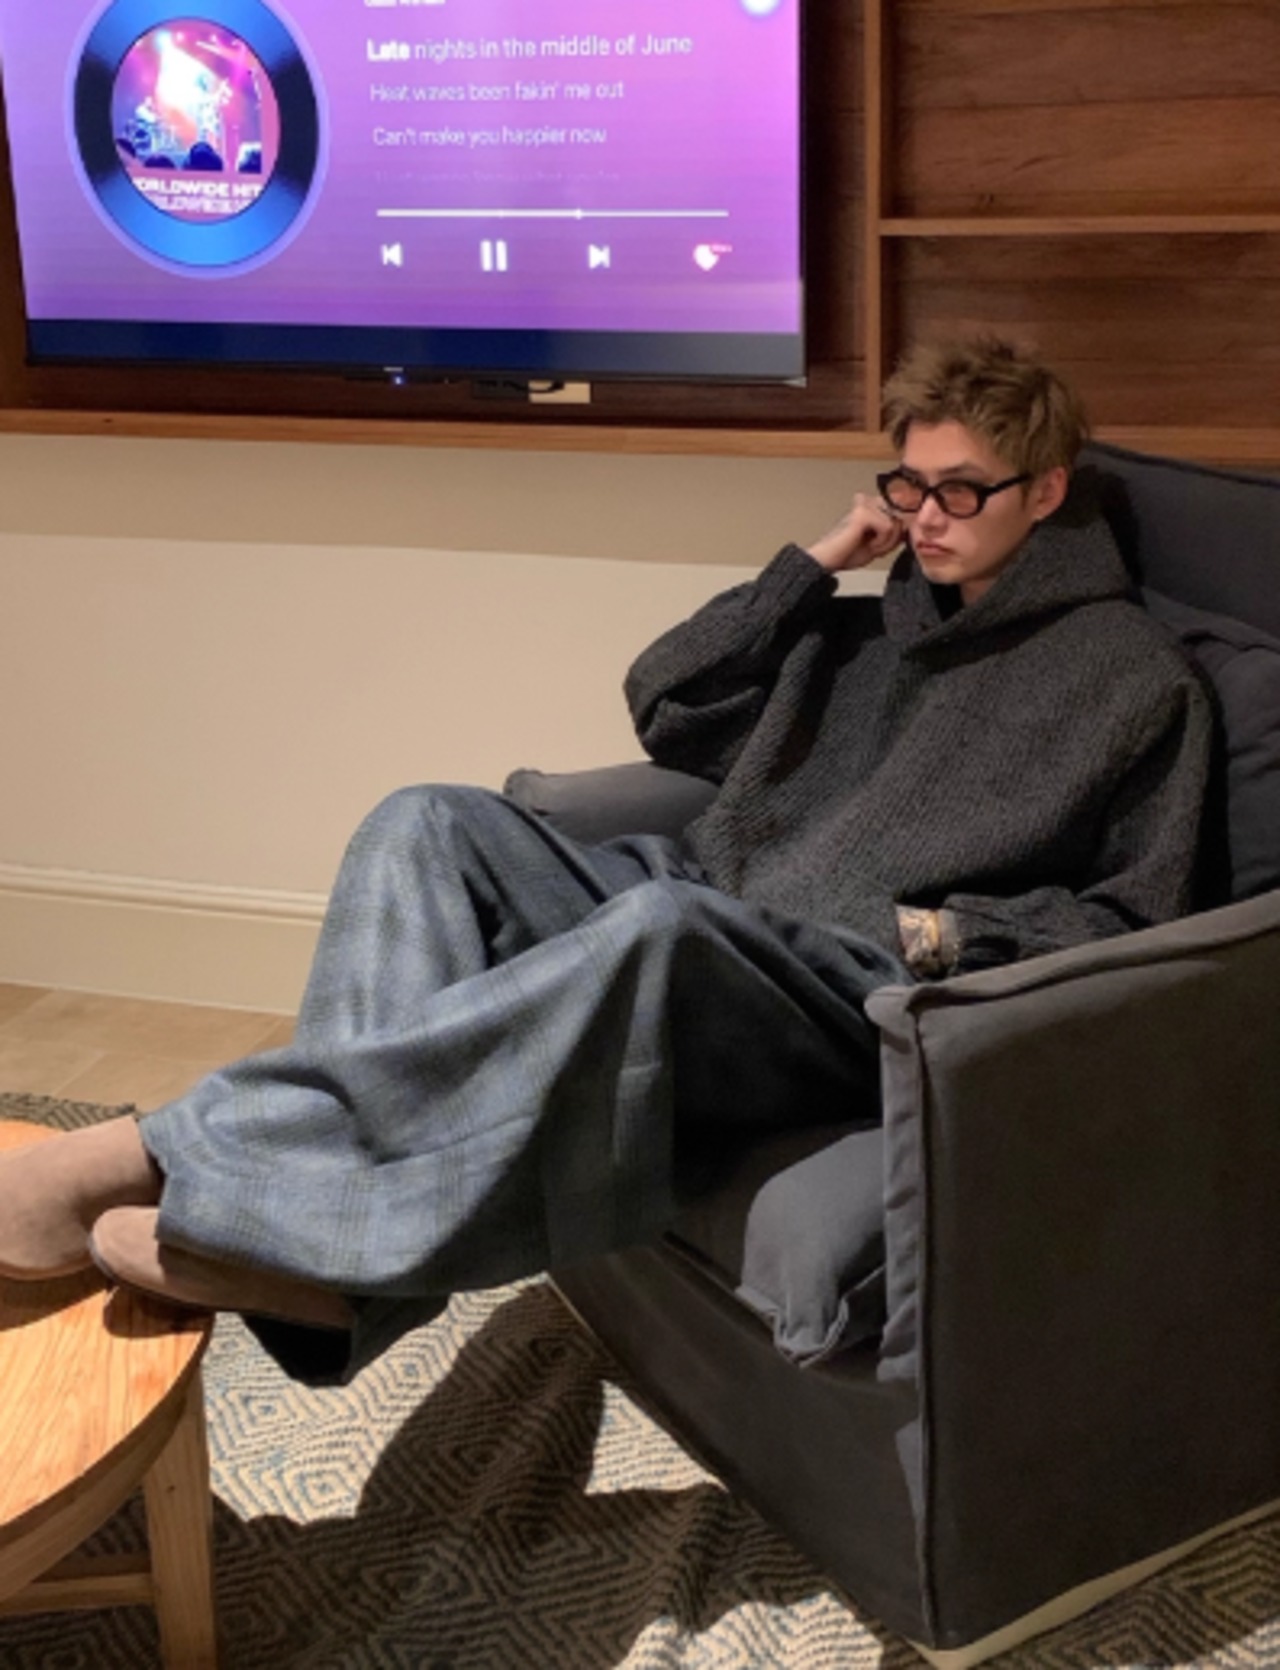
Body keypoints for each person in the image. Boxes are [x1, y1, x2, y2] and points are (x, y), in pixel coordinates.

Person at [0, 338, 1213, 1383]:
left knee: (658, 925)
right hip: (712, 910)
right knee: (424, 820)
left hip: (854, 988)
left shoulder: (1131, 680)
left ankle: (173, 1152)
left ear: (1044, 490)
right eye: (907, 483)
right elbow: (665, 699)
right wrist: (809, 567)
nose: (926, 517)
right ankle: (326, 1256)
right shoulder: (864, 632)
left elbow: (1133, 916)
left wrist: (942, 935)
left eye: (960, 491)